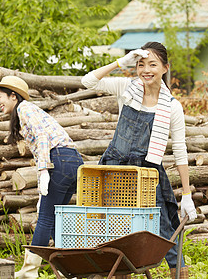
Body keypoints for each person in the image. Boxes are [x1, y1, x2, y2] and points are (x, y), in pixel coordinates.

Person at [81, 42, 197, 279]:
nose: (146, 70)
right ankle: (117, 273)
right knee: (113, 227)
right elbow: (88, 81)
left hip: (148, 173)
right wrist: (119, 63)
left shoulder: (173, 107)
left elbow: (180, 150)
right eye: (141, 64)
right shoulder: (127, 88)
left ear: (165, 67)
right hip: (115, 169)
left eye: (152, 64)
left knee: (165, 226)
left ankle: (180, 274)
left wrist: (186, 194)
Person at [0, 76, 84, 279]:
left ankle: (29, 272)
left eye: (0, 97)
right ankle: (70, 270)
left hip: (59, 159)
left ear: (13, 96)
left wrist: (43, 169)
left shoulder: (25, 109)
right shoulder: (25, 111)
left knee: (46, 216)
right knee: (54, 216)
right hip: (71, 161)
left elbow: (41, 135)